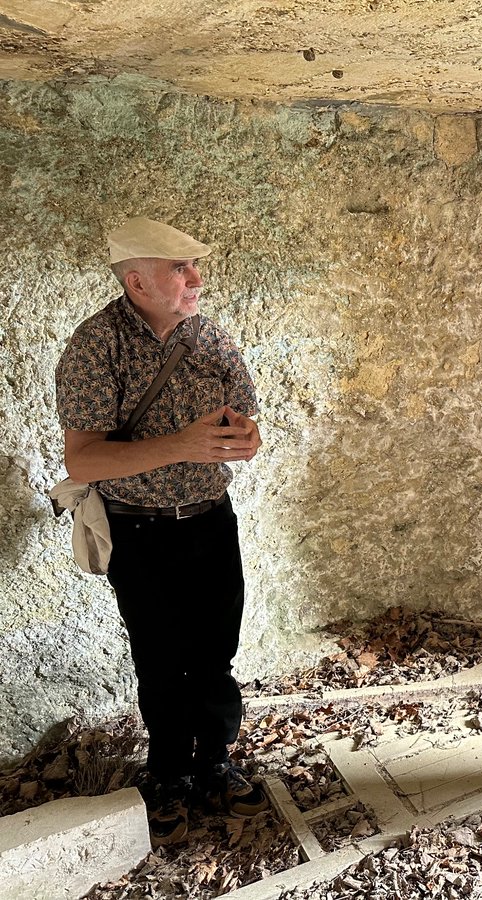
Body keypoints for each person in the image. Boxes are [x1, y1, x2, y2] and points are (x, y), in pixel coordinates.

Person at [55, 217, 269, 845]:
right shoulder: (96, 347)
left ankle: (216, 764)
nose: (197, 280)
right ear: (137, 279)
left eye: (195, 267)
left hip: (210, 523)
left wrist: (245, 439)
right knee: (161, 659)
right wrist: (180, 444)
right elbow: (84, 460)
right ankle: (169, 773)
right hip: (140, 533)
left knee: (214, 655)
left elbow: (239, 429)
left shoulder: (214, 342)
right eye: (182, 269)